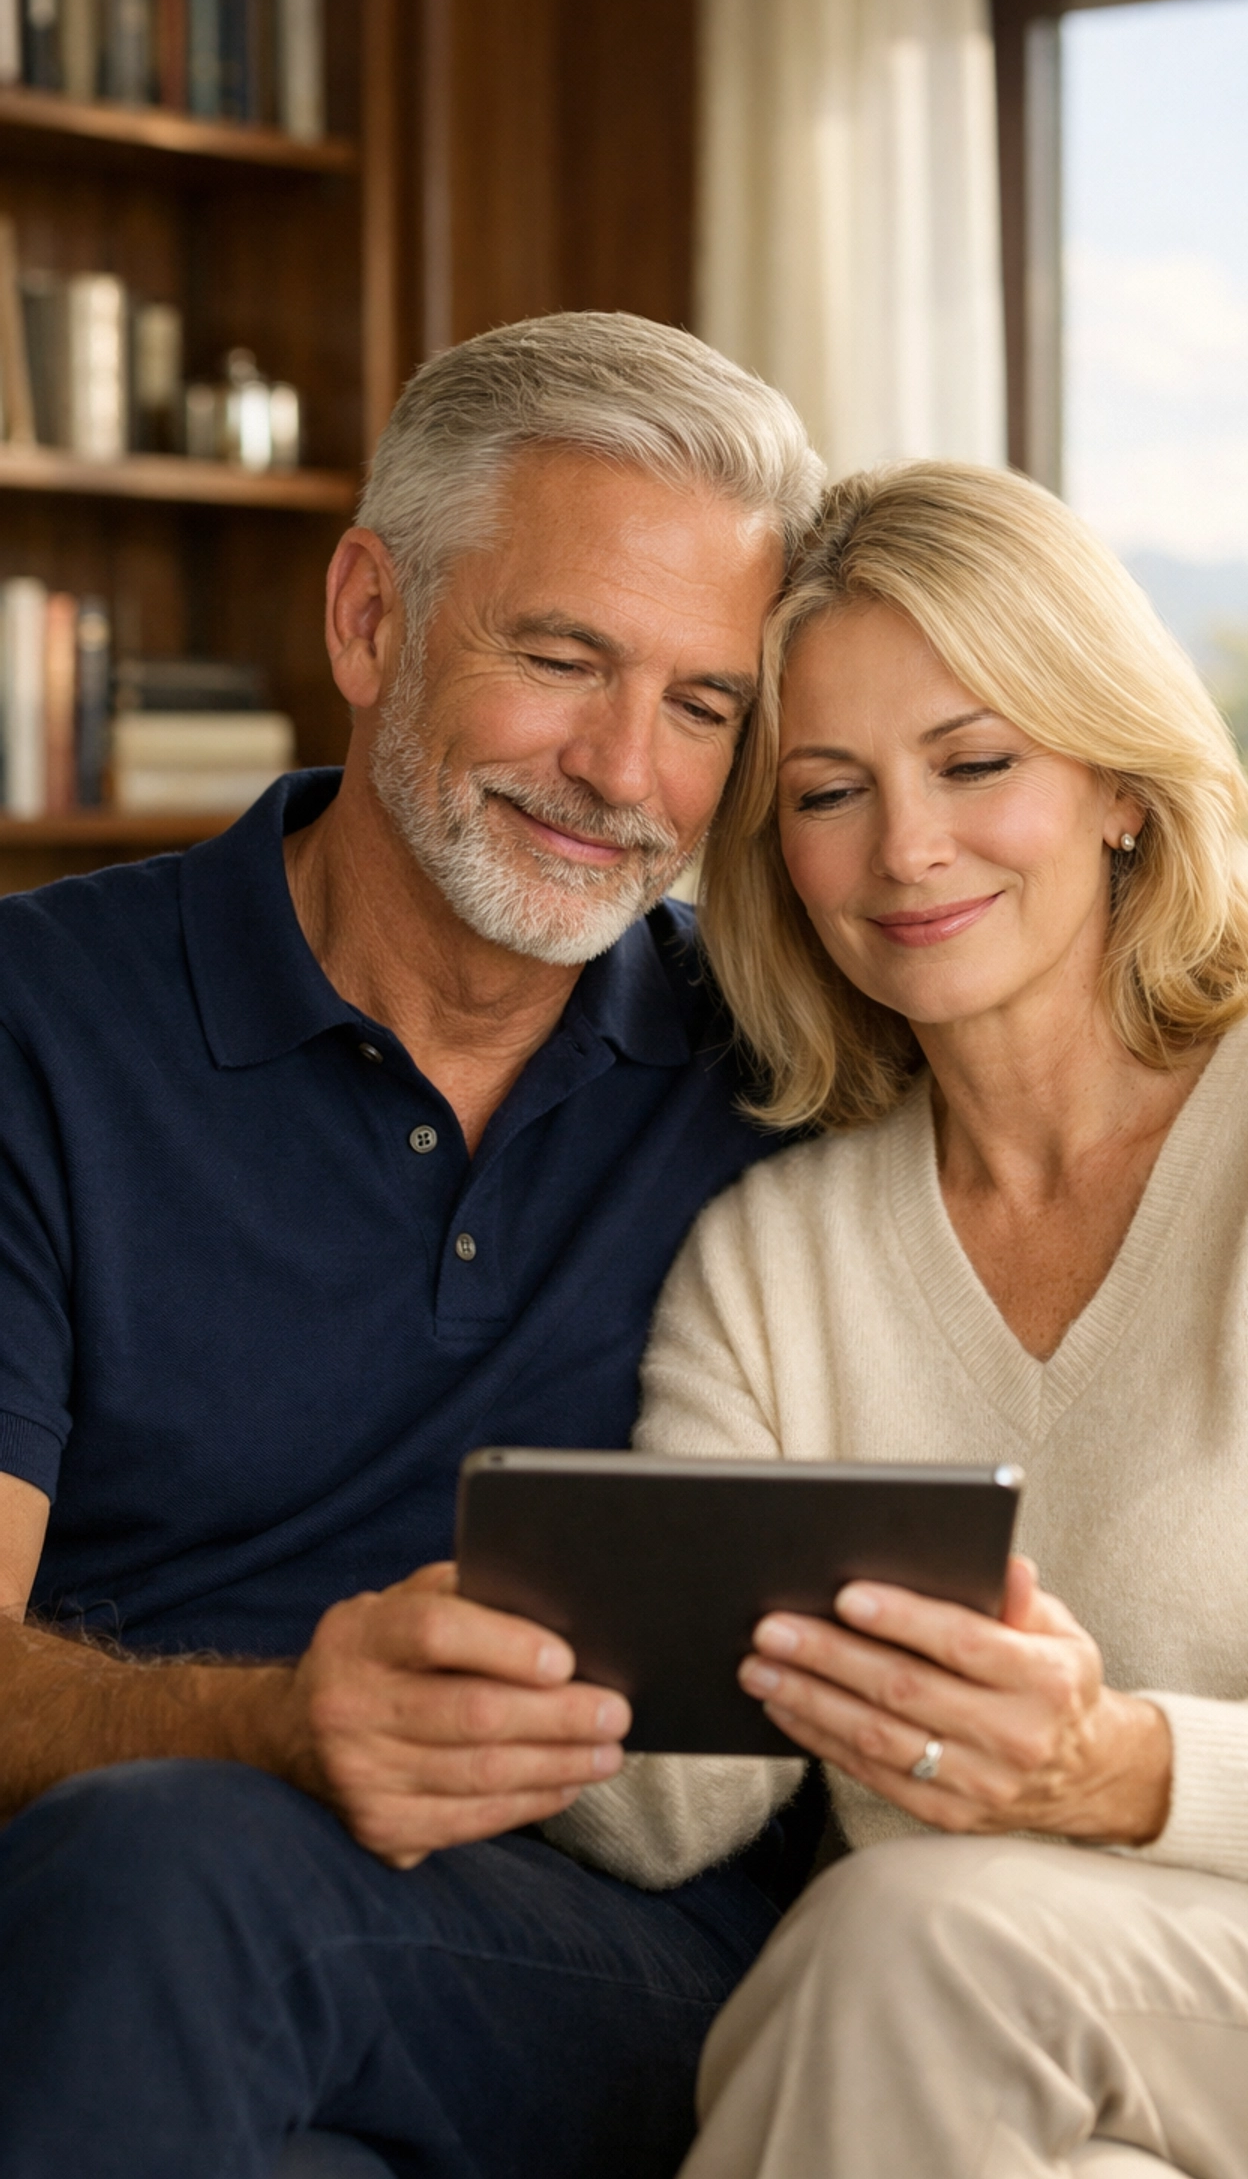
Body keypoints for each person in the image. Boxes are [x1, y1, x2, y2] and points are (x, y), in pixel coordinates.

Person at [549, 461, 1248, 2178]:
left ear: (1122, 791)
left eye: (977, 763)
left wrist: (1115, 1768)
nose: (905, 847)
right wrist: (495, 1677)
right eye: (827, 791)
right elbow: (663, 1812)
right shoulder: (774, 1260)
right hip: (1009, 2047)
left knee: (905, 1934)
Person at [0, 313, 829, 2179]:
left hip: (605, 1954)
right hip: (121, 1926)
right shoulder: (33, 1032)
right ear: (372, 619)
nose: (623, 769)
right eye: (560, 657)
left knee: (167, 1879)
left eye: (704, 706)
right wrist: (281, 1725)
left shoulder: (784, 1071)